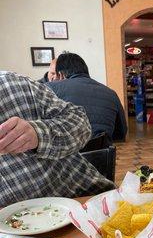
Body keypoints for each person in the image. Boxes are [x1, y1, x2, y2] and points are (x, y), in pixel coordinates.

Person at [0, 71, 115, 207]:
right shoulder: (107, 91)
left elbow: (81, 125)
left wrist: (38, 134)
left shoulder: (16, 86)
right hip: (13, 224)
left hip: (84, 200)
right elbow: (121, 130)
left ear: (60, 74)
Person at [47, 53, 127, 143]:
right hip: (101, 154)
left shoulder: (50, 89)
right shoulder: (111, 93)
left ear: (61, 75)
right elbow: (121, 133)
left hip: (67, 154)